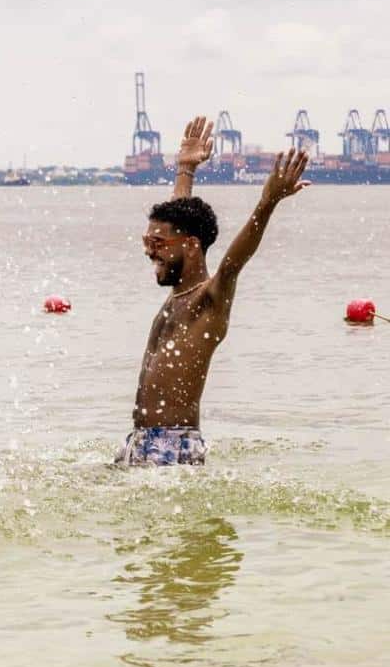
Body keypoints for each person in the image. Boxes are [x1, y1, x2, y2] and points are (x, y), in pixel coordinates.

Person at [120, 116, 310, 465]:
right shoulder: (176, 295)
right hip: (139, 441)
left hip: (174, 446)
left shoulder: (209, 300)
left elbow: (235, 261)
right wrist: (185, 169)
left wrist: (268, 202)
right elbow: (179, 219)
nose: (149, 251)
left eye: (157, 243)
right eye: (147, 241)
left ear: (191, 246)